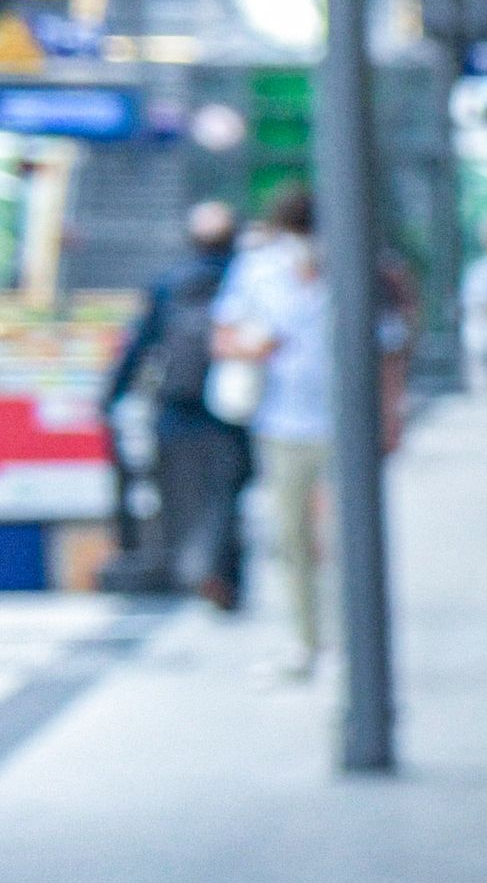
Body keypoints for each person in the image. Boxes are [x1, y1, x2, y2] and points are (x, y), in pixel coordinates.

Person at [208, 184, 337, 678]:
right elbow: (223, 336)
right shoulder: (259, 270)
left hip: (337, 420)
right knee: (293, 537)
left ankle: (343, 639)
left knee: (334, 536)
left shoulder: (350, 264)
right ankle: (310, 639)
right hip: (283, 419)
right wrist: (255, 348)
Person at [104, 196, 246, 611]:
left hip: (178, 405)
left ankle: (179, 565)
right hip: (232, 406)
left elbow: (141, 345)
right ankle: (224, 576)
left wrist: (113, 394)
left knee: (174, 491)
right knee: (228, 494)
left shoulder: (170, 283)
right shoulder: (244, 281)